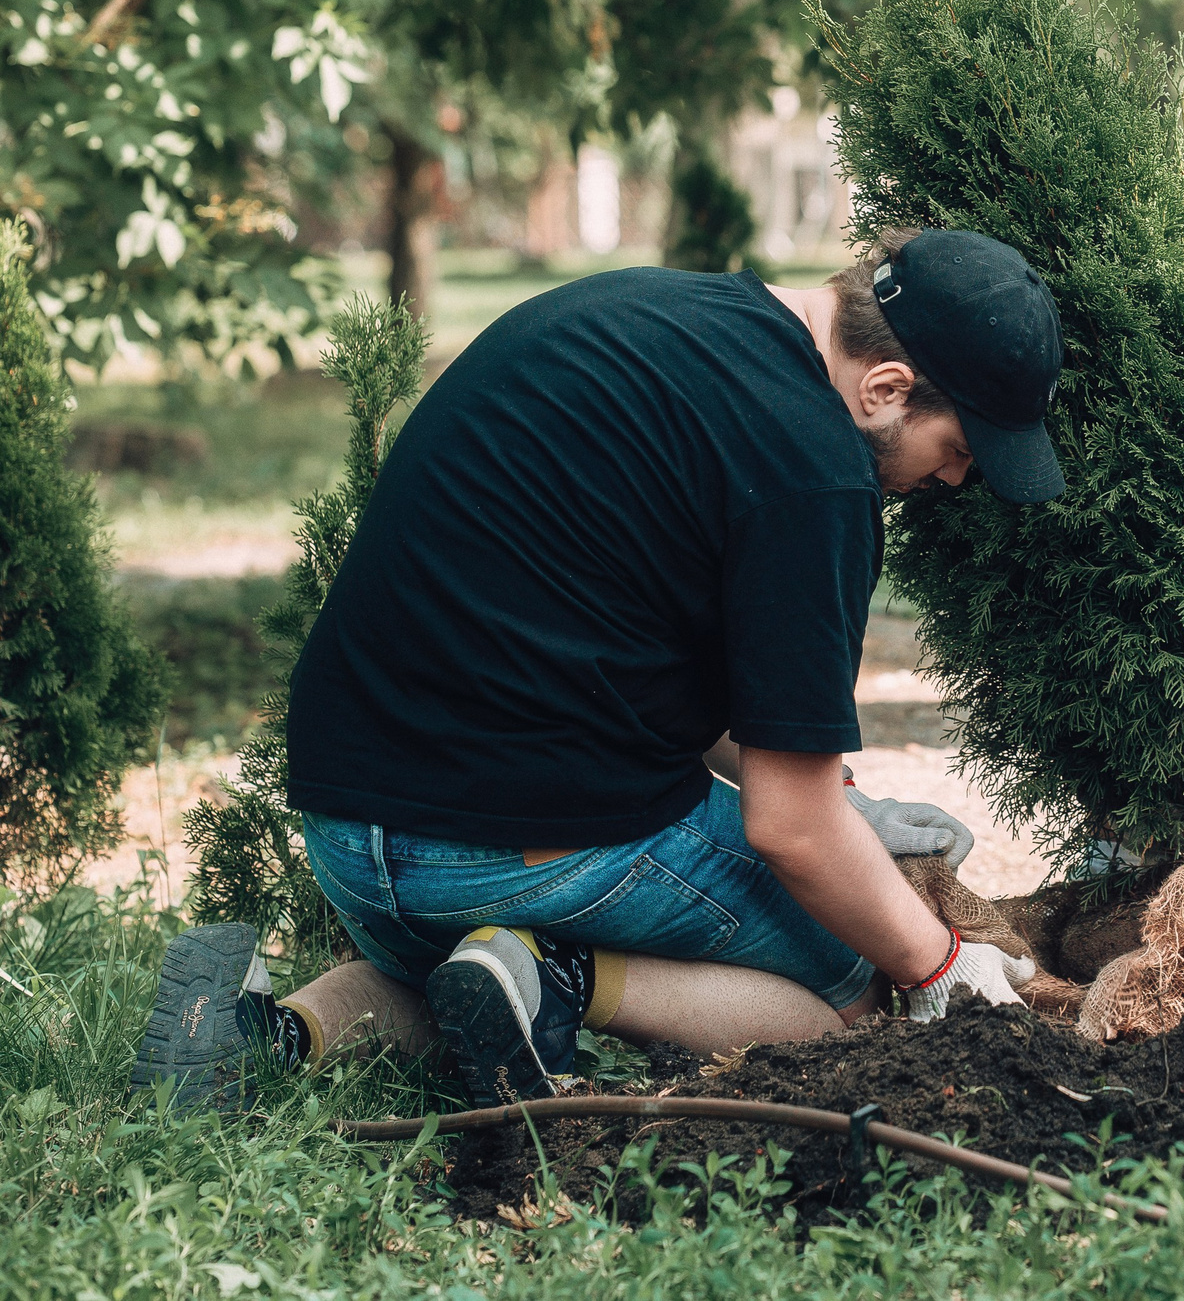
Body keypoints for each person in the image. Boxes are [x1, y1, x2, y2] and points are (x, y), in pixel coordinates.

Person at [134, 229, 1055, 1108]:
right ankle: (566, 977)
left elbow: (662, 655)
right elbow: (793, 830)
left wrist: (845, 797)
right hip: (520, 853)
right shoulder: (814, 469)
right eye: (960, 450)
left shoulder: (640, 310)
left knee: (465, 961)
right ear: (888, 387)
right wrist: (937, 963)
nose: (954, 483)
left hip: (349, 832)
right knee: (856, 996)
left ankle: (271, 1035)